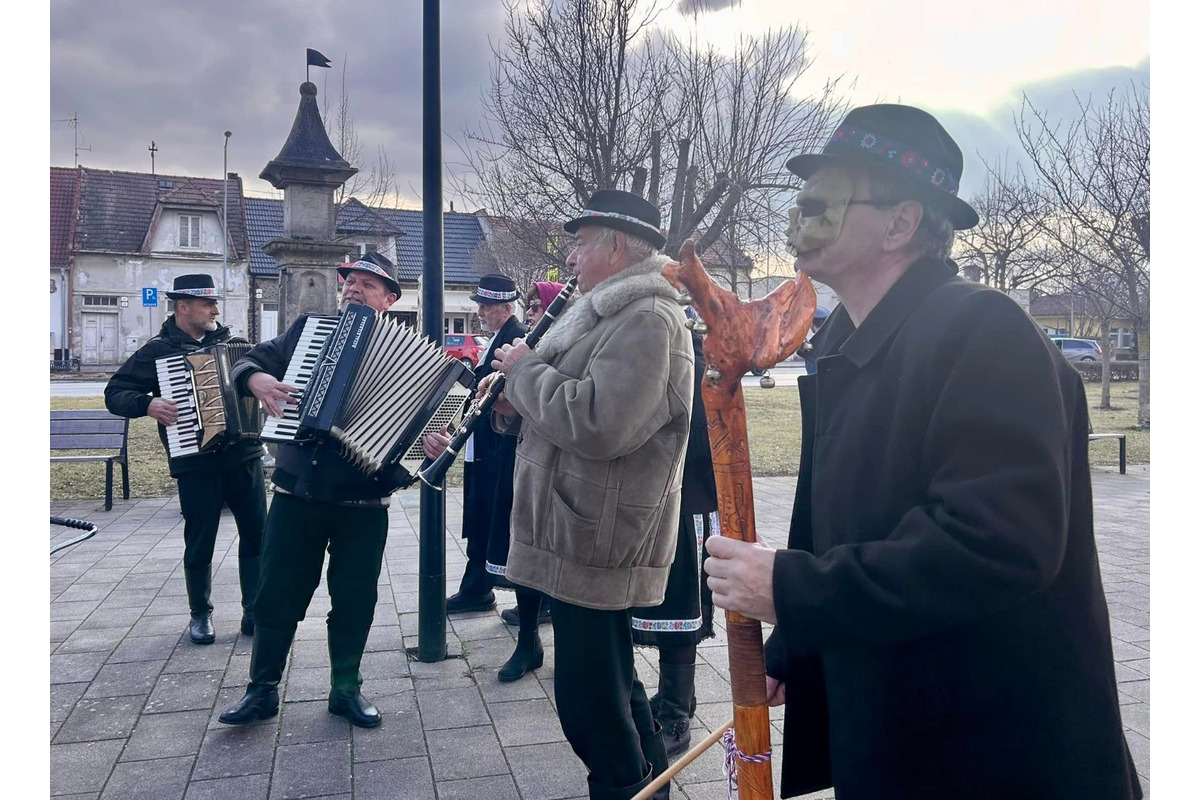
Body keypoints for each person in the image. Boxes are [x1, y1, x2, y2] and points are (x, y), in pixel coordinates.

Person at [702, 104, 1143, 799]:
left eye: (828, 198)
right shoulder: (844, 340)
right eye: (801, 197)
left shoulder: (984, 332)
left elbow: (997, 544)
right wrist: (795, 640)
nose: (800, 214)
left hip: (997, 752)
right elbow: (834, 520)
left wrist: (789, 588)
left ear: (902, 223)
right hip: (901, 733)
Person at [490, 189, 694, 800]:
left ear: (613, 244)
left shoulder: (649, 319)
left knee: (589, 701)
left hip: (600, 533)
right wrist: (509, 403)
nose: (571, 258)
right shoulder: (606, 313)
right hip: (577, 526)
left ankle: (622, 788)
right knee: (614, 688)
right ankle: (647, 788)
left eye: (580, 243)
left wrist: (524, 370)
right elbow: (566, 406)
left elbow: (600, 423)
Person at [217, 252, 405, 729]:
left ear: (389, 298)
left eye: (367, 283)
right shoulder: (307, 331)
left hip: (363, 502)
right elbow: (252, 362)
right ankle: (261, 690)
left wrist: (428, 443)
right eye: (349, 281)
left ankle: (345, 689)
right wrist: (254, 378)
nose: (353, 288)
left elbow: (420, 438)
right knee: (276, 592)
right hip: (297, 493)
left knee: (355, 600)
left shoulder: (410, 354)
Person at [104, 273, 266, 645]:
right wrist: (147, 403)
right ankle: (200, 614)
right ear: (183, 307)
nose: (215, 310)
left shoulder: (236, 344)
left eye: (215, 303)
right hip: (195, 459)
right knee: (200, 537)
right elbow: (115, 393)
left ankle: (253, 611)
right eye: (207, 303)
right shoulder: (158, 351)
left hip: (244, 455)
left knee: (258, 534)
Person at [630, 318, 717, 758]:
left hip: (689, 505)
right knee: (656, 606)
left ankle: (678, 710)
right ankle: (668, 699)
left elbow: (698, 445)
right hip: (656, 499)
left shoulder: (697, 363)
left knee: (680, 608)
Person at [445, 274, 527, 615]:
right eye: (479, 304)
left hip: (499, 444)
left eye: (487, 306)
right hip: (485, 442)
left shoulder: (515, 337)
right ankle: (476, 586)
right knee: (480, 514)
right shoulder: (497, 336)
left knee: (492, 515)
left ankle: (484, 587)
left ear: (506, 308)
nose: (480, 311)